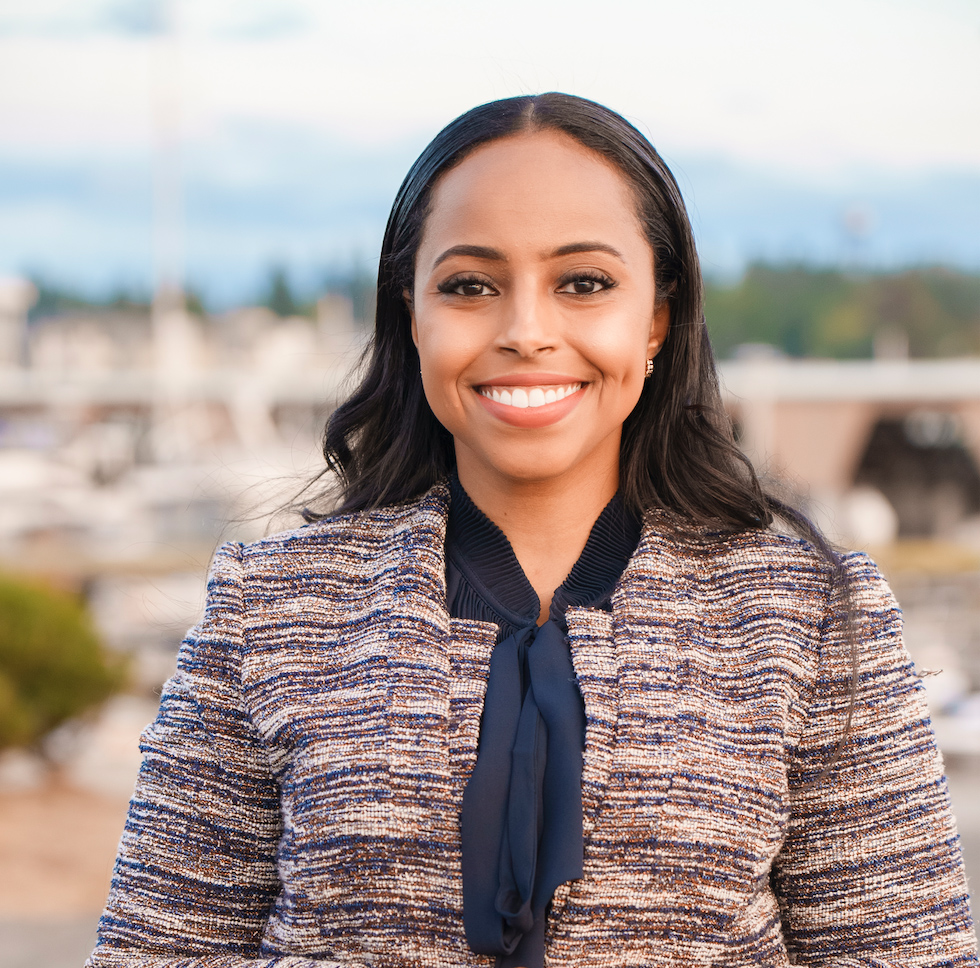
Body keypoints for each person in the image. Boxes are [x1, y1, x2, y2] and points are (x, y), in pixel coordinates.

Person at [87, 93, 978, 968]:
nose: (525, 331)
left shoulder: (812, 616)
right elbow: (157, 948)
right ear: (413, 316)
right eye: (470, 285)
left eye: (584, 283)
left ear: (658, 318)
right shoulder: (267, 608)